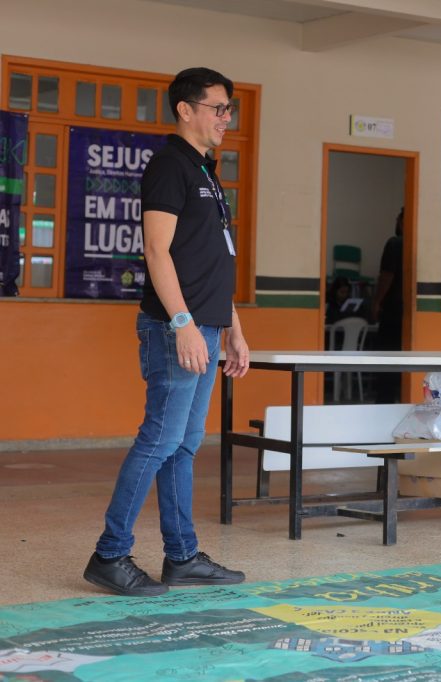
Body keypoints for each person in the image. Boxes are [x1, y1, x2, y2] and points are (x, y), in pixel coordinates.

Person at [83, 68, 249, 597]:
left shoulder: (207, 172)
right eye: (218, 108)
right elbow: (157, 251)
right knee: (159, 440)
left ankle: (182, 557)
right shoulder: (169, 166)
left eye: (229, 109)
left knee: (183, 446)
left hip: (207, 327)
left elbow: (214, 260)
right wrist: (183, 325)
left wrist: (233, 329)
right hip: (175, 328)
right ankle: (110, 555)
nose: (226, 118)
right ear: (185, 109)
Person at [373, 208, 404, 403]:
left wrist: (376, 302)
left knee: (386, 357)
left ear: (401, 221)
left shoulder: (394, 244)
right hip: (407, 314)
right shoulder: (417, 245)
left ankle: (384, 401)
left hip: (392, 310)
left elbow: (387, 275)